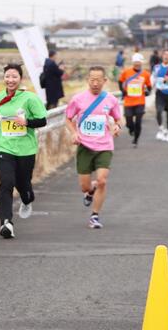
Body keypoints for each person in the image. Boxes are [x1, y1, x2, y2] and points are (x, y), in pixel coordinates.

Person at [0, 63, 47, 238]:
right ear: (4, 78)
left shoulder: (29, 98)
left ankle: (27, 199)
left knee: (24, 185)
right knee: (6, 183)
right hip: (5, 147)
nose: (10, 80)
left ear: (20, 79)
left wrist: (27, 123)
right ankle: (6, 223)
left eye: (14, 77)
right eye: (7, 76)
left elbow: (42, 120)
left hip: (26, 149)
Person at [65, 66, 123, 229]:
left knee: (102, 180)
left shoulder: (111, 99)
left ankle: (95, 216)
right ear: (87, 80)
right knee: (85, 185)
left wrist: (117, 127)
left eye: (98, 80)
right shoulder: (78, 99)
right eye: (92, 79)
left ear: (105, 81)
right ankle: (90, 192)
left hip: (104, 146)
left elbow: (118, 119)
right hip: (84, 146)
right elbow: (68, 118)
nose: (95, 83)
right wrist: (74, 133)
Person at [118, 53, 152, 147]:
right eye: (136, 62)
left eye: (139, 62)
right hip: (128, 101)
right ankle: (131, 129)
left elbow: (149, 85)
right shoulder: (126, 72)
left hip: (140, 101)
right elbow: (120, 81)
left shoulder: (145, 74)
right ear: (133, 62)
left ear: (141, 63)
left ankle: (136, 140)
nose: (137, 64)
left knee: (138, 121)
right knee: (128, 121)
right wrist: (122, 91)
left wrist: (148, 92)